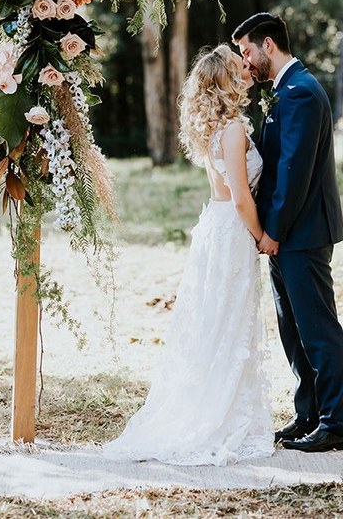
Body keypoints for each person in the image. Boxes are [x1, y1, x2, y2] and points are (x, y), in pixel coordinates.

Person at [104, 45, 273, 465]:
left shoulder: (217, 127)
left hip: (214, 227)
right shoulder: (232, 130)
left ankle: (224, 404)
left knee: (217, 322)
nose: (247, 68)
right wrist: (263, 235)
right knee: (227, 322)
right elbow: (239, 199)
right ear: (226, 82)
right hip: (232, 230)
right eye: (238, 67)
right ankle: (218, 414)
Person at [233, 12, 343, 452]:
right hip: (285, 236)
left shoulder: (301, 92)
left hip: (301, 233)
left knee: (317, 327)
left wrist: (274, 232)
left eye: (247, 51)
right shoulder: (283, 90)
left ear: (268, 45)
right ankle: (308, 415)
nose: (245, 61)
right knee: (293, 329)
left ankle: (337, 422)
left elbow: (294, 172)